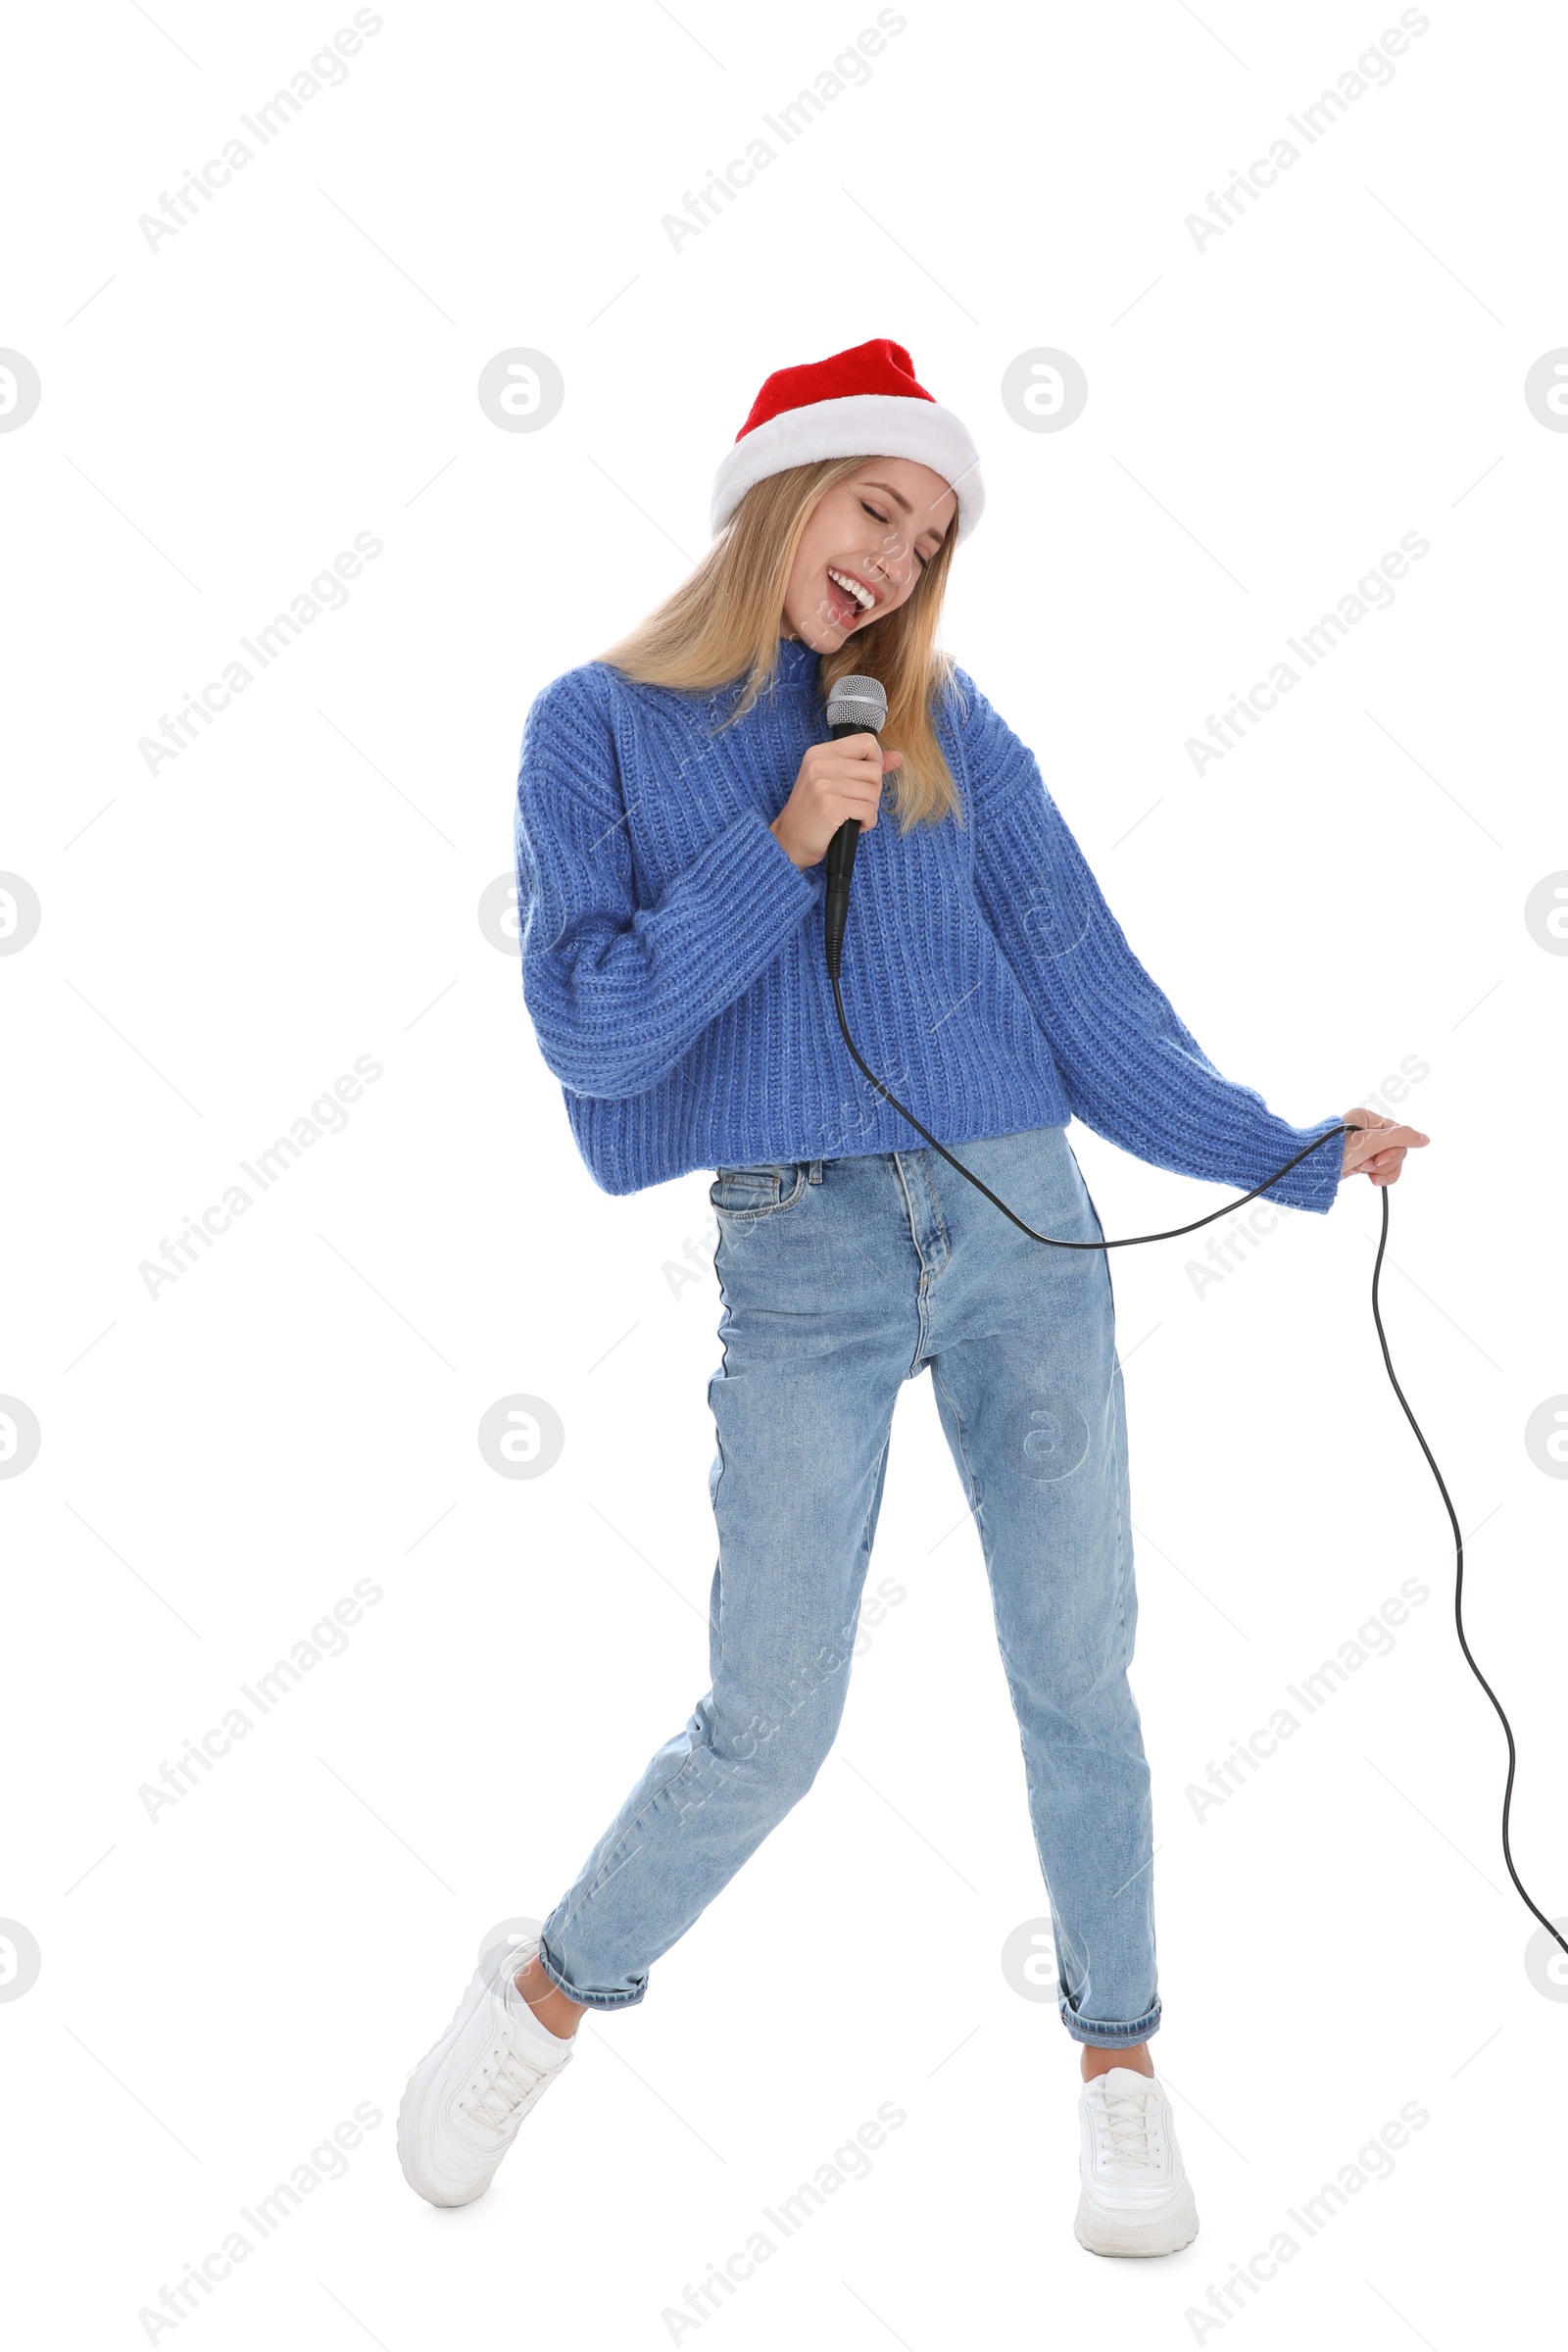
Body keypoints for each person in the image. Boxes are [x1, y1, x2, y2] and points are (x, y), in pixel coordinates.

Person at [397, 338, 1427, 2251]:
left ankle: (1118, 2068)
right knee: (766, 1723)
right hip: (803, 1258)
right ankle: (540, 1997)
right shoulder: (595, 726)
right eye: (875, 504)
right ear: (781, 487)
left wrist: (1284, 1150)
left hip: (1018, 1221)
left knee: (1075, 1674)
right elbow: (597, 1035)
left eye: (927, 535)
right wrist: (782, 845)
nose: (891, 557)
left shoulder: (950, 730)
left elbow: (1090, 998)